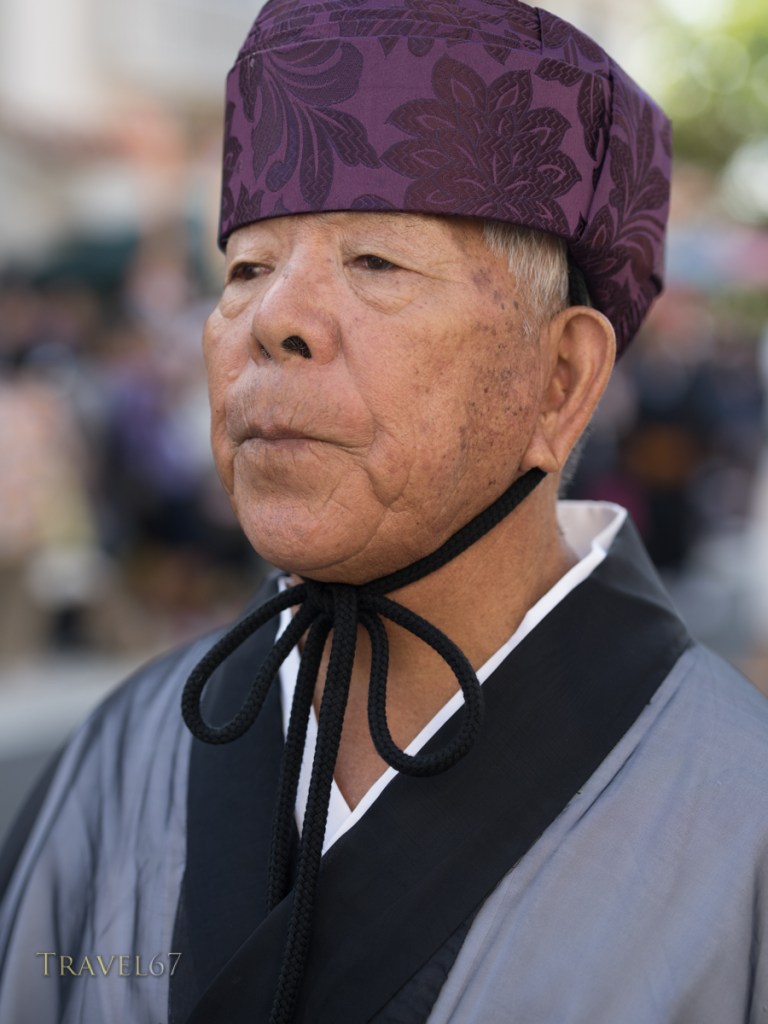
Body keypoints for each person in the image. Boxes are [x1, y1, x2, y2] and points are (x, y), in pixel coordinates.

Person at [1, 1, 767, 1022]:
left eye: (376, 263)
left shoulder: (737, 817)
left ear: (560, 378)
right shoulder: (123, 758)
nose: (272, 322)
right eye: (244, 268)